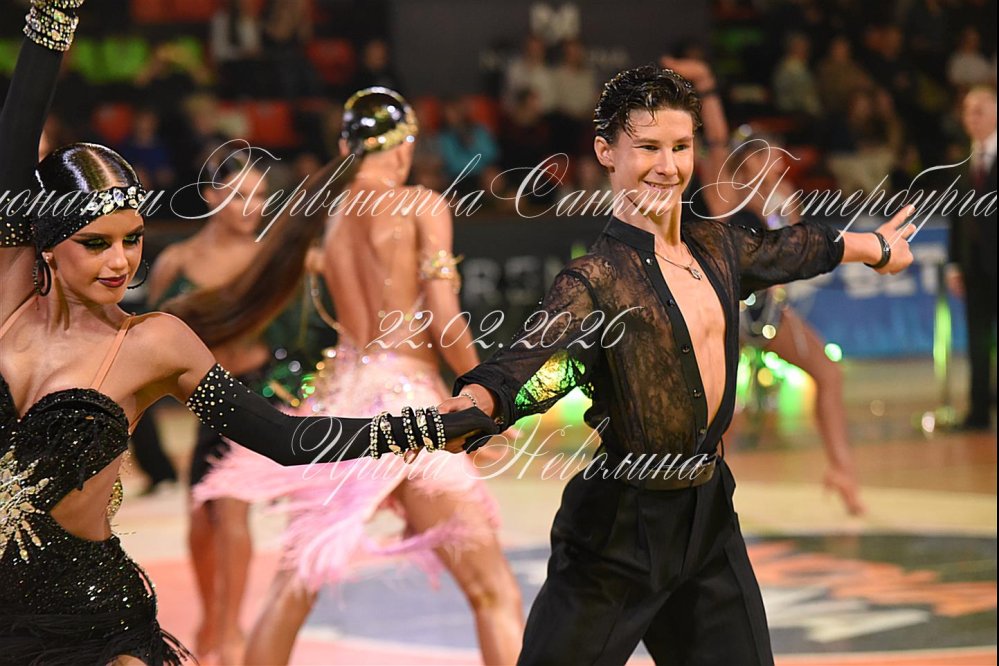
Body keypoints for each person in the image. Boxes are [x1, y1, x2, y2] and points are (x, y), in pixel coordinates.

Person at [0, 11, 494, 663]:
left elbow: (286, 440)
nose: (120, 262)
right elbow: (16, 135)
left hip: (93, 626)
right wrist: (52, 19)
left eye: (133, 240)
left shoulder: (155, 343)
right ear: (44, 242)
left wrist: (426, 428)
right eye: (96, 244)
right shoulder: (9, 296)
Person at [439, 64, 915, 664]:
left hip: (707, 520)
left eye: (680, 147)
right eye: (648, 148)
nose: (668, 166)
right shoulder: (595, 280)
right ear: (606, 153)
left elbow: (791, 248)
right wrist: (477, 403)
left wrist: (875, 247)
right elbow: (530, 365)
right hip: (617, 536)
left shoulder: (716, 243)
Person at [191, 88, 524, 666]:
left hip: (338, 406)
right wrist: (484, 395)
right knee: (493, 592)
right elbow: (443, 317)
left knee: (291, 591)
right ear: (406, 144)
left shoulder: (326, 218)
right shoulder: (421, 204)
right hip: (410, 405)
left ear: (346, 148)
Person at [669, 57, 864, 515]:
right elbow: (717, 139)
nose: (779, 159)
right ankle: (699, 496)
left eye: (778, 153)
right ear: (748, 161)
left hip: (768, 310)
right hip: (725, 311)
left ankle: (842, 470)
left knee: (829, 373)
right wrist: (707, 87)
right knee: (726, 414)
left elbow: (791, 258)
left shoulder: (786, 199)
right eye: (768, 153)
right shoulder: (725, 192)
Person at [146, 155, 272, 664]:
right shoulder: (177, 262)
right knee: (200, 519)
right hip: (204, 400)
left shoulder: (272, 257)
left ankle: (229, 631)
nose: (252, 206)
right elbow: (154, 334)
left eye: (261, 196)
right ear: (211, 195)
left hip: (260, 392)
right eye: (240, 195)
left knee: (232, 509)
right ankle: (210, 620)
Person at [947, 86, 997, 431]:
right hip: (974, 267)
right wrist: (955, 263)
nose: (971, 118)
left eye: (979, 110)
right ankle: (979, 411)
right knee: (977, 340)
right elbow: (957, 219)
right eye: (967, 111)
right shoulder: (965, 161)